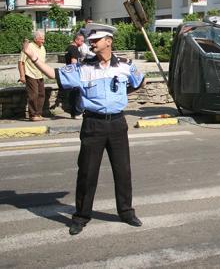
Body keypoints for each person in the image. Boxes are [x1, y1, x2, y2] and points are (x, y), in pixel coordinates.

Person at [22, 23, 145, 236]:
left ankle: (126, 212)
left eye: (96, 39)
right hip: (93, 124)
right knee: (87, 173)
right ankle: (81, 216)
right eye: (90, 40)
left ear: (108, 41)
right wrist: (34, 57)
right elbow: (54, 73)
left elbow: (139, 81)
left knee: (123, 171)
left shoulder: (125, 65)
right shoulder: (83, 67)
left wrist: (122, 96)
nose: (91, 43)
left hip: (117, 123)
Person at [18, 31, 47, 121]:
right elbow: (21, 62)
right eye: (41, 39)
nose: (43, 40)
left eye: (43, 38)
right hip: (30, 74)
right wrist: (22, 76)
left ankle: (38, 114)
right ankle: (33, 115)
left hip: (40, 74)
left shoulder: (42, 47)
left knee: (41, 94)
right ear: (35, 39)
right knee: (33, 95)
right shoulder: (28, 47)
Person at [62, 33, 85, 118]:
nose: (82, 42)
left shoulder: (69, 48)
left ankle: (73, 113)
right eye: (81, 41)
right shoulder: (74, 49)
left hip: (70, 74)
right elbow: (74, 62)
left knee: (72, 94)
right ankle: (77, 113)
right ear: (76, 40)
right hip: (75, 74)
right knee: (77, 93)